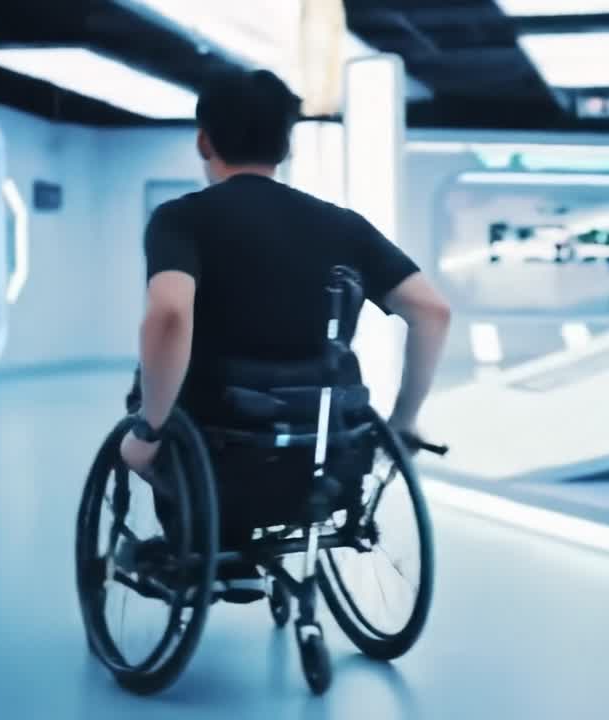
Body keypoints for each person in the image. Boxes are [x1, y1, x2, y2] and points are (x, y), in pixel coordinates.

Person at [117, 68, 451, 596]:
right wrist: (404, 422)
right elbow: (432, 311)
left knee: (151, 408)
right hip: (326, 442)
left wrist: (149, 431)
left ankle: (199, 545)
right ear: (286, 145)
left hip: (218, 439)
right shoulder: (342, 225)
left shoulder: (182, 220)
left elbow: (171, 315)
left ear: (204, 141)